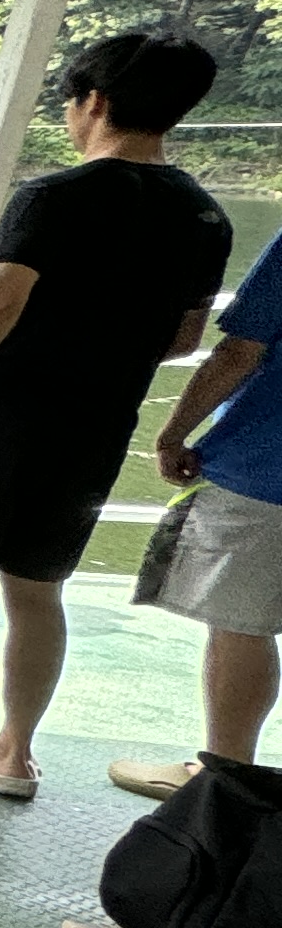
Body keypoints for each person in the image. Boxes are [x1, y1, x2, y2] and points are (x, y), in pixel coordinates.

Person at [0, 30, 235, 800]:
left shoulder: (54, 196)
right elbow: (185, 336)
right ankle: (13, 753)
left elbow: (0, 300)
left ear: (94, 102)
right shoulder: (205, 217)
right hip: (94, 428)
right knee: (37, 589)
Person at [124, 224, 282, 799]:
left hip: (264, 466)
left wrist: (172, 434)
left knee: (241, 625)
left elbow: (240, 351)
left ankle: (225, 778)